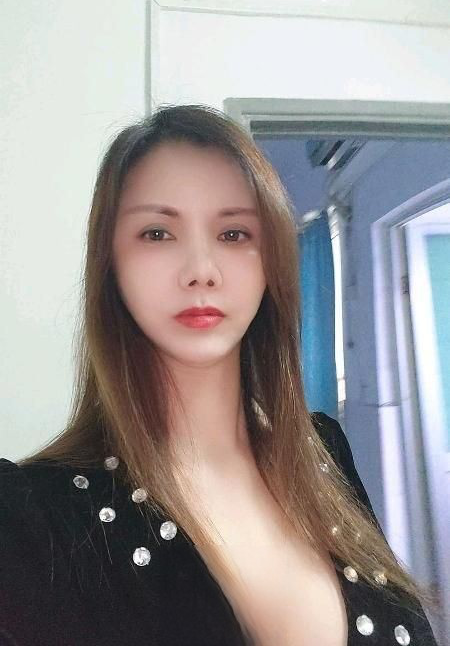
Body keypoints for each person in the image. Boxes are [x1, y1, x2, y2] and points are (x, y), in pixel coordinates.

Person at [0, 104, 441, 646]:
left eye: (233, 233)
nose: (201, 271)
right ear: (110, 264)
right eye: (157, 233)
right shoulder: (33, 516)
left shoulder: (325, 450)